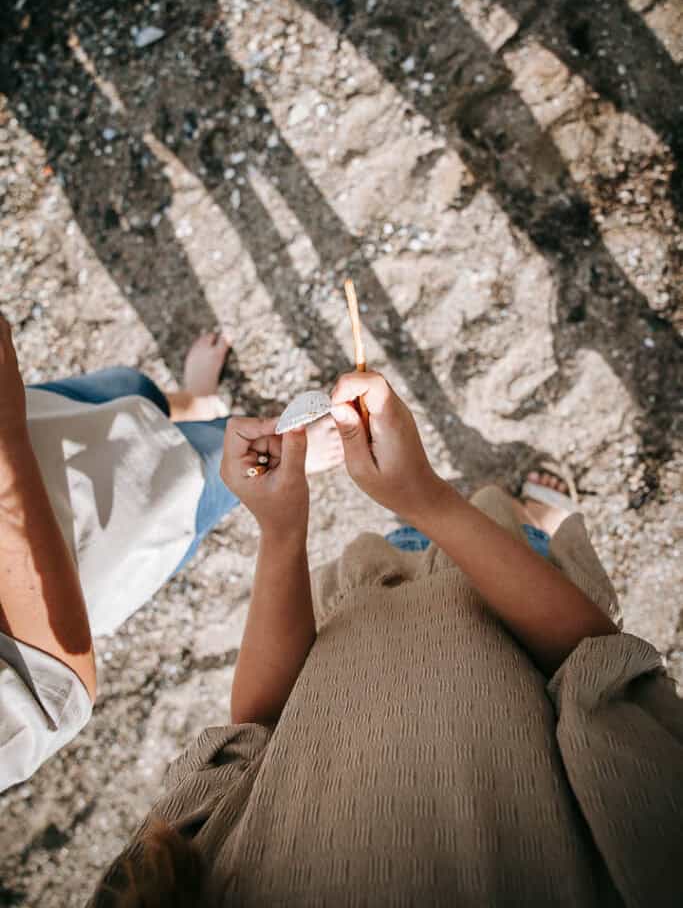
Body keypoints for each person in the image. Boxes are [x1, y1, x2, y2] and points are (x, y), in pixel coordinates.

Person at [90, 370, 683, 907]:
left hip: (361, 603)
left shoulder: (145, 889)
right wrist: (426, 497)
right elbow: (595, 664)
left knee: (401, 547)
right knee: (512, 532)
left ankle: (436, 532)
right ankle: (531, 524)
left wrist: (281, 528)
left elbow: (256, 728)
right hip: (513, 606)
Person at [0, 313, 342, 792]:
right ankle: (289, 455)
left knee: (128, 386)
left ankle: (196, 400)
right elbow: (52, 693)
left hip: (45, 417)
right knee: (208, 466)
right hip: (109, 523)